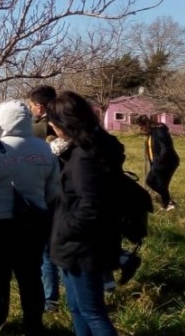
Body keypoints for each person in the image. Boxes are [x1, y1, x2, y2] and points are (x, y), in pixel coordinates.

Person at [0, 100, 59, 335]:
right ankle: (33, 325)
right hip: (33, 223)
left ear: (1, 120)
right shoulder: (45, 149)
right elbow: (53, 191)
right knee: (31, 276)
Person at [46, 91, 123, 336]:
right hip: (88, 243)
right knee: (78, 308)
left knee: (92, 312)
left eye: (54, 122)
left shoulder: (83, 158)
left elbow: (90, 206)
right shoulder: (100, 145)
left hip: (81, 246)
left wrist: (64, 229)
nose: (51, 127)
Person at [26, 85, 61, 310]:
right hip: (71, 192)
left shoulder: (39, 127)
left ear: (39, 106)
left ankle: (50, 298)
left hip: (48, 191)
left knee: (47, 250)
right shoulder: (68, 122)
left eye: (31, 106)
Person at [136, 115, 180, 211]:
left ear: (147, 124)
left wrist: (159, 162)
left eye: (141, 126)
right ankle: (168, 201)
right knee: (150, 181)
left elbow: (166, 148)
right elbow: (153, 151)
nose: (140, 129)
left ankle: (167, 205)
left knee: (161, 185)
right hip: (158, 164)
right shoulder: (151, 134)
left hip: (167, 163)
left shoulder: (159, 132)